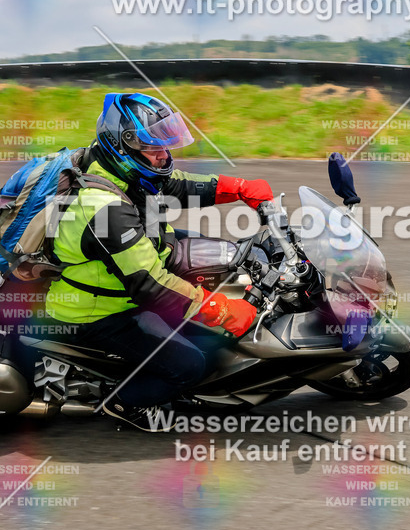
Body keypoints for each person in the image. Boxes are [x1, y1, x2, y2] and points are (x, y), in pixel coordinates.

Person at [45, 92, 273, 431]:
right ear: (125, 147)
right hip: (101, 311)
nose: (164, 157)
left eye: (166, 147)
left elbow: (174, 185)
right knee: (190, 365)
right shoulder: (105, 210)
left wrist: (237, 188)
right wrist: (221, 310)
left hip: (135, 263)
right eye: (156, 149)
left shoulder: (112, 165)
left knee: (219, 257)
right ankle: (124, 403)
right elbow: (150, 287)